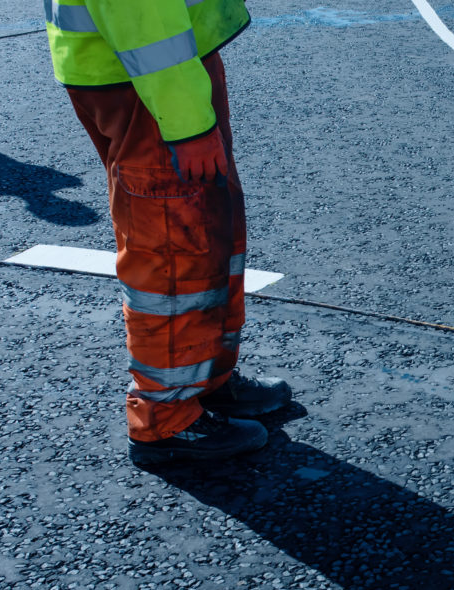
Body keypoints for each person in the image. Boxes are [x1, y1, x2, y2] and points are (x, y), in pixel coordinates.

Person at [44, 0, 292, 464]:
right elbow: (142, 14)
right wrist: (187, 124)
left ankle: (204, 380)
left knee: (206, 233)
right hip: (149, 82)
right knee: (175, 251)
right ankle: (166, 416)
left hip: (154, 72)